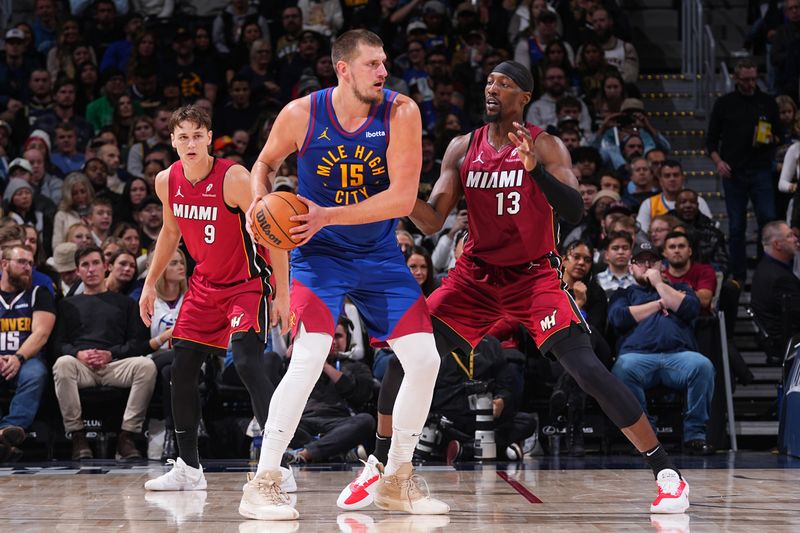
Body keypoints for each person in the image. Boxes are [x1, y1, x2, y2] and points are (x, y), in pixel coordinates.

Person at [364, 60, 689, 515]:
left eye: (505, 83)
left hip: (533, 276)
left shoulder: (546, 145)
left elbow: (575, 210)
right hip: (474, 277)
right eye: (490, 81)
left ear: (524, 97)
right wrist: (401, 196)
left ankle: (667, 474)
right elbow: (433, 219)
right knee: (408, 349)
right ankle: (378, 464)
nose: (492, 88)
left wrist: (535, 171)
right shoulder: (462, 147)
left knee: (588, 370)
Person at [244, 30, 447, 520]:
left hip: (378, 253)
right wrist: (257, 203)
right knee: (309, 356)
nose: (383, 72)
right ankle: (264, 478)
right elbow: (265, 163)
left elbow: (402, 200)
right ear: (343, 69)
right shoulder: (301, 114)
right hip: (319, 257)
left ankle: (397, 476)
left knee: (425, 359)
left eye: (384, 63)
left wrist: (325, 213)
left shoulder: (401, 112)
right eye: (373, 64)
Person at [139, 106, 291, 495]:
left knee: (246, 363)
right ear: (172, 141)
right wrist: (150, 283)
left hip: (247, 284)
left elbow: (273, 231)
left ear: (210, 137)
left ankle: (278, 465)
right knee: (181, 368)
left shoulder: (234, 178)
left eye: (197, 135)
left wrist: (282, 295)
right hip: (205, 286)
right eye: (182, 136)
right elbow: (170, 232)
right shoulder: (166, 180)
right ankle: (188, 467)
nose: (190, 143)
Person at [609, 241, 716, 455]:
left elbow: (690, 308)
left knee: (703, 366)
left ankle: (695, 436)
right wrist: (659, 304)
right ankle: (645, 436)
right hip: (637, 358)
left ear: (661, 265)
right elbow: (618, 318)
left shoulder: (681, 288)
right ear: (631, 268)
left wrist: (659, 285)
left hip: (678, 357)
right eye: (640, 261)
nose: (647, 265)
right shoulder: (624, 294)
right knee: (621, 369)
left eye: (652, 261)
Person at [52, 245, 156, 461]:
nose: (91, 270)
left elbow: (138, 343)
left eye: (95, 263)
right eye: (85, 265)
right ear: (78, 271)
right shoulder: (67, 305)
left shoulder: (126, 304)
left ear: (106, 267)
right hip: (81, 366)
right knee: (62, 363)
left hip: (114, 365)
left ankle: (126, 437)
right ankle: (78, 436)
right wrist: (78, 354)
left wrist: (112, 354)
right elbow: (58, 344)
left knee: (146, 366)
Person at [0, 244, 55, 461]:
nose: (28, 268)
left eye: (31, 263)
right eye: (22, 262)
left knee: (35, 373)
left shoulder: (37, 294)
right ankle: (5, 440)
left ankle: (9, 429)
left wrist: (18, 357)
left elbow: (41, 333)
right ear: (4, 264)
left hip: (26, 360)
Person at [750, 221, 800, 364]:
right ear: (777, 245)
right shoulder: (780, 277)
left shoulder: (766, 268)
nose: (796, 239)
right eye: (790, 236)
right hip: (789, 344)